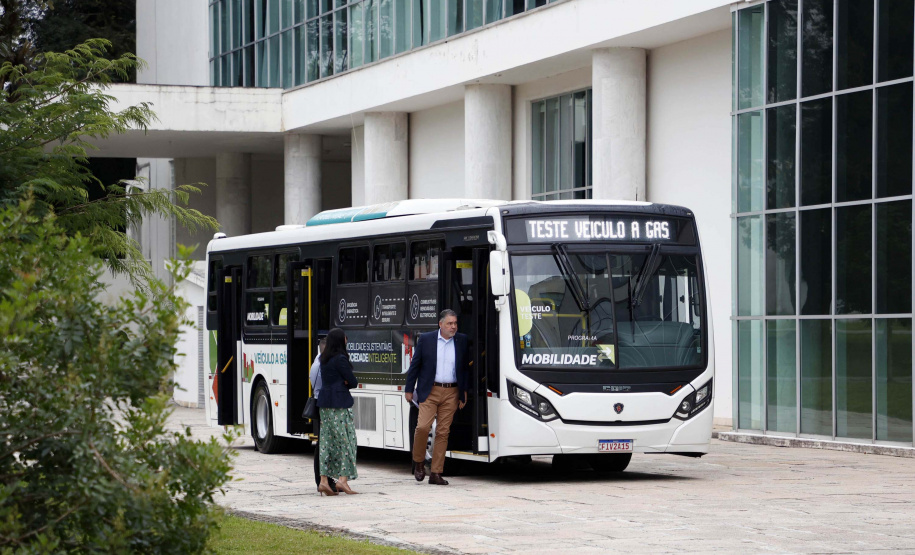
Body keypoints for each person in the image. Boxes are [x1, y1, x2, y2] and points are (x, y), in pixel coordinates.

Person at [405, 309, 470, 486]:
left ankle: (436, 472)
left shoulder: (462, 340)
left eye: (455, 323)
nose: (453, 327)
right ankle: (419, 461)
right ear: (440, 324)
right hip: (430, 390)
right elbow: (415, 365)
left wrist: (463, 391)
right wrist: (409, 389)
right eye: (449, 323)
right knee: (422, 427)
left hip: (451, 392)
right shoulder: (427, 339)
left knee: (443, 432)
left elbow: (464, 368)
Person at [316, 328, 360, 496]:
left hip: (325, 404)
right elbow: (353, 381)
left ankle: (323, 481)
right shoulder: (340, 359)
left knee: (326, 442)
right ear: (340, 341)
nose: (347, 340)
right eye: (345, 338)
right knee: (347, 441)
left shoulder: (323, 359)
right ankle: (342, 480)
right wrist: (345, 382)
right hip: (339, 404)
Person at [308, 337, 336, 493]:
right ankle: (323, 480)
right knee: (323, 445)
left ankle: (323, 480)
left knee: (322, 444)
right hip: (324, 405)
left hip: (319, 403)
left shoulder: (315, 363)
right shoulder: (322, 365)